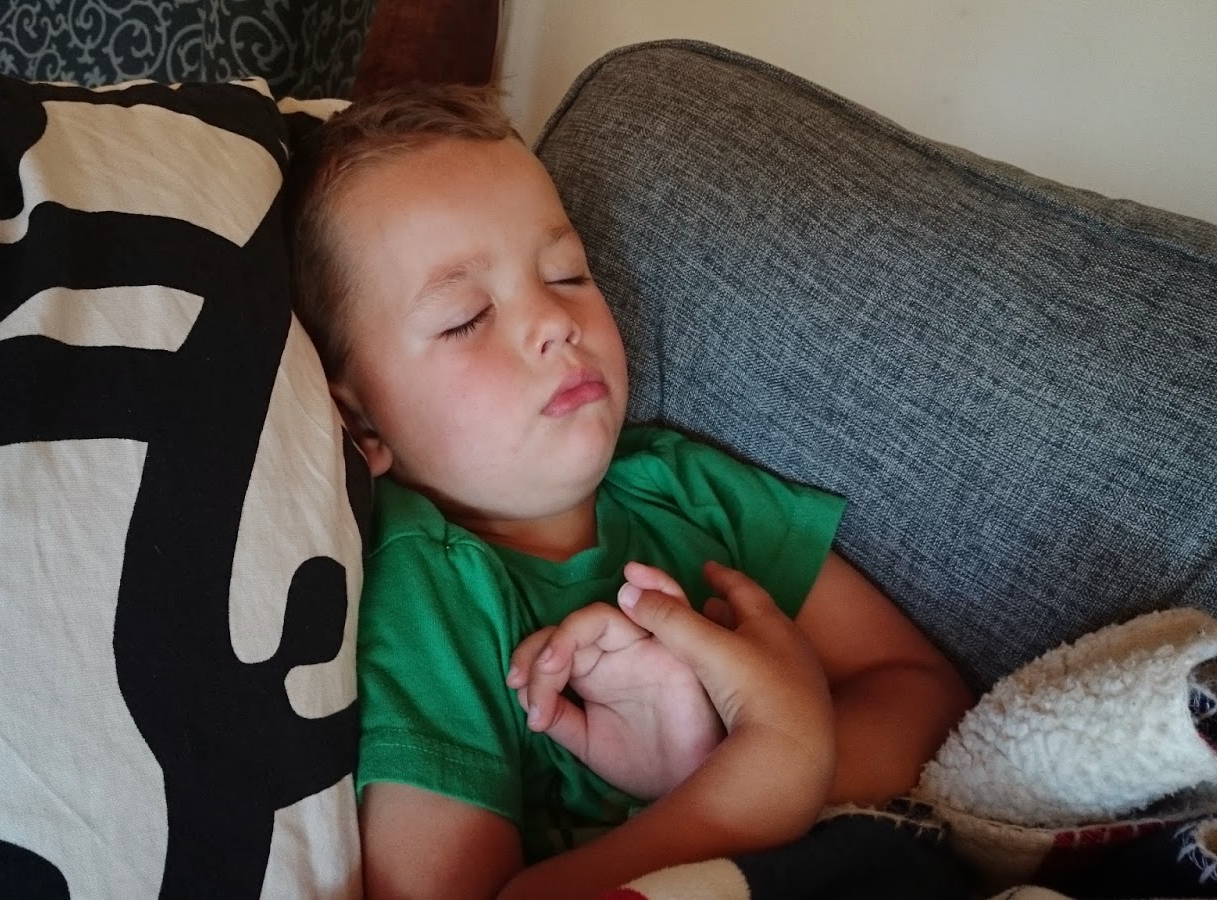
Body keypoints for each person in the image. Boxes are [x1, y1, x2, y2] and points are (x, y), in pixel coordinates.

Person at [287, 83, 974, 900]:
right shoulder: (426, 591)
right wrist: (769, 761)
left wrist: (752, 767)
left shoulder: (689, 490)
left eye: (567, 273)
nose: (555, 320)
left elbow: (922, 689)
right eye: (466, 315)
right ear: (361, 425)